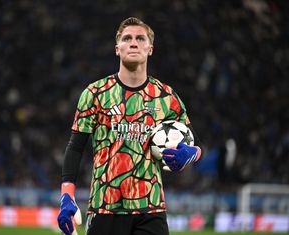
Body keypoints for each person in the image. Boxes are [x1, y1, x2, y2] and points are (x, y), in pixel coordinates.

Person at [57, 17, 202, 235]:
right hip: (105, 207)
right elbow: (75, 147)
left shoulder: (166, 97)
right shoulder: (95, 93)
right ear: (117, 49)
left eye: (140, 38)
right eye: (127, 38)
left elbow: (195, 142)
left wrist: (191, 153)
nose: (133, 43)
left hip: (151, 210)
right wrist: (67, 195)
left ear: (150, 49)